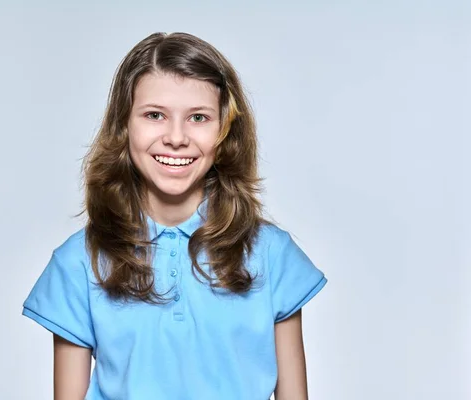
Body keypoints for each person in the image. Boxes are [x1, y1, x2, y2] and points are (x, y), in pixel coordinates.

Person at [22, 31, 327, 400]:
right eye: (154, 115)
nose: (176, 137)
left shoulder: (271, 253)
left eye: (198, 117)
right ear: (124, 125)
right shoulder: (78, 262)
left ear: (225, 131)